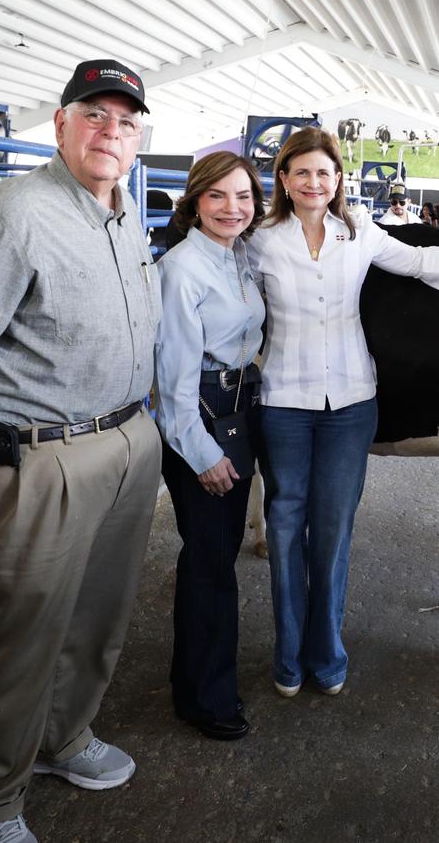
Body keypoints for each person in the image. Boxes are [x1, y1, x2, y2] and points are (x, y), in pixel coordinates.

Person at [0, 59, 163, 843]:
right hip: (41, 455)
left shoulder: (126, 212)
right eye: (94, 115)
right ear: (59, 124)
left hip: (126, 438)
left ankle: (60, 739)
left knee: (97, 618)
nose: (109, 133)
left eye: (124, 121)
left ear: (138, 137)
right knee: (16, 637)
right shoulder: (15, 213)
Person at [248, 127, 439, 698]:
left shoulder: (359, 233)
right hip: (283, 400)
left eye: (324, 173)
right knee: (282, 527)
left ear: (337, 180)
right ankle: (287, 652)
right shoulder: (258, 238)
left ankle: (325, 653)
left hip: (351, 402)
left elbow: (423, 260)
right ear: (283, 179)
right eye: (301, 172)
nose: (314, 182)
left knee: (333, 529)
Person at [154, 152, 266, 742]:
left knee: (214, 558)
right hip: (201, 422)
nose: (233, 208)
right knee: (208, 565)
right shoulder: (181, 270)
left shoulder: (235, 258)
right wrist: (202, 455)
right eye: (218, 196)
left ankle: (200, 683)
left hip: (236, 414)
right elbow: (171, 381)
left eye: (243, 196)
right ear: (195, 201)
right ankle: (205, 698)